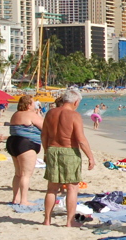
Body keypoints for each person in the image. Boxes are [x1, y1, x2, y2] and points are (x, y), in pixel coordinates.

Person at [41, 88, 96, 227]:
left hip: (52, 149)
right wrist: (90, 157)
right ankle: (70, 221)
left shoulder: (50, 113)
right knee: (72, 188)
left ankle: (47, 220)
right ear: (76, 102)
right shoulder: (74, 115)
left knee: (52, 188)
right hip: (69, 151)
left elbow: (44, 135)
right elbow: (81, 139)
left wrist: (46, 152)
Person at [7, 95, 43, 206]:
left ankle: (15, 198)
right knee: (25, 174)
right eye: (33, 103)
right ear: (28, 105)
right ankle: (24, 200)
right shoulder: (31, 115)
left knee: (18, 174)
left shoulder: (15, 114)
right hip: (26, 144)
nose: (35, 105)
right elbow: (45, 127)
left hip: (12, 143)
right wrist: (39, 115)